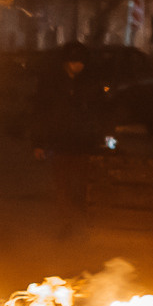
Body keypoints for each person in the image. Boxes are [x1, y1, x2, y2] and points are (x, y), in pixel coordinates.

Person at [31, 42, 101, 237]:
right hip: (60, 142)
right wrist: (39, 143)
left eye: (81, 63)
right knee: (62, 185)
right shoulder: (51, 83)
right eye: (74, 62)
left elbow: (96, 111)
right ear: (66, 62)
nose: (78, 66)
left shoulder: (88, 81)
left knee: (82, 183)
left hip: (82, 143)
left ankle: (83, 221)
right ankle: (65, 223)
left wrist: (98, 137)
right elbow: (41, 113)